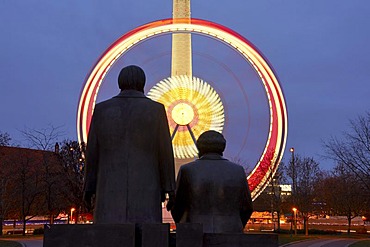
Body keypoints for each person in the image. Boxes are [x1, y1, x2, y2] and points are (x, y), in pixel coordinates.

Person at [83, 65, 176, 224]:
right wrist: (169, 188)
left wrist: (89, 187)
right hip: (147, 188)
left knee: (108, 236)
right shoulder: (156, 110)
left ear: (120, 83)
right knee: (146, 236)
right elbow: (165, 152)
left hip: (108, 190)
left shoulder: (101, 110)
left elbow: (92, 154)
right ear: (143, 83)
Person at [171, 130, 253, 233]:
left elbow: (177, 207)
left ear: (199, 148)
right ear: (223, 148)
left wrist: (184, 226)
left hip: (193, 233)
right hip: (230, 232)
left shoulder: (187, 170)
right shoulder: (238, 171)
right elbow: (247, 208)